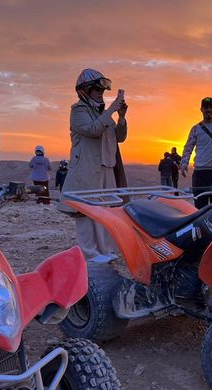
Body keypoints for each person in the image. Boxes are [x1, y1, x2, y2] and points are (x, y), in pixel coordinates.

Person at [58, 68, 128, 264]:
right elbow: (93, 130)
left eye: (102, 90)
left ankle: (105, 248)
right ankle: (90, 252)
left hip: (107, 166)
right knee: (87, 210)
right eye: (97, 90)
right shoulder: (79, 110)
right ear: (85, 90)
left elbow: (119, 137)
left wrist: (121, 116)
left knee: (105, 209)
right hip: (87, 169)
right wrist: (113, 108)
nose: (101, 94)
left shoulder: (102, 113)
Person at [181, 96, 212, 208]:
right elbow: (188, 147)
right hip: (200, 173)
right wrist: (184, 163)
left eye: (211, 107)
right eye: (206, 107)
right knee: (199, 207)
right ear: (201, 109)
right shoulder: (196, 129)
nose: (208, 110)